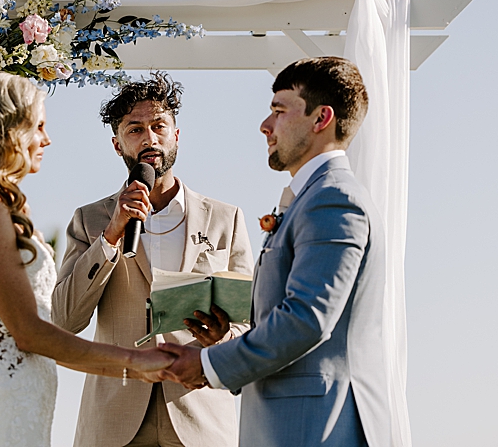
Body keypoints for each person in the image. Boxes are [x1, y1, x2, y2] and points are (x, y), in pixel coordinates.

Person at [0, 76, 175, 447]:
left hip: (26, 400)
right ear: (7, 129)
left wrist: (136, 368)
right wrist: (133, 359)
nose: (46, 140)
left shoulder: (0, 207)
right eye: (39, 127)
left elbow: (47, 337)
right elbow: (30, 333)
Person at [158, 58, 378, 447]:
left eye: (279, 110)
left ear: (321, 118)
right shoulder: (311, 198)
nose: (265, 125)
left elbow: (308, 318)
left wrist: (208, 365)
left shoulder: (334, 199)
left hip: (315, 427)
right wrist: (225, 343)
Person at [51, 74, 253, 447]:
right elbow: (65, 319)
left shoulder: (227, 219)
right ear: (117, 145)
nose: (150, 138)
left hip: (200, 417)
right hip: (114, 421)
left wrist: (221, 335)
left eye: (159, 125)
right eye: (135, 129)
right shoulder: (89, 220)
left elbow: (250, 322)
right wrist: (111, 234)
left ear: (177, 134)